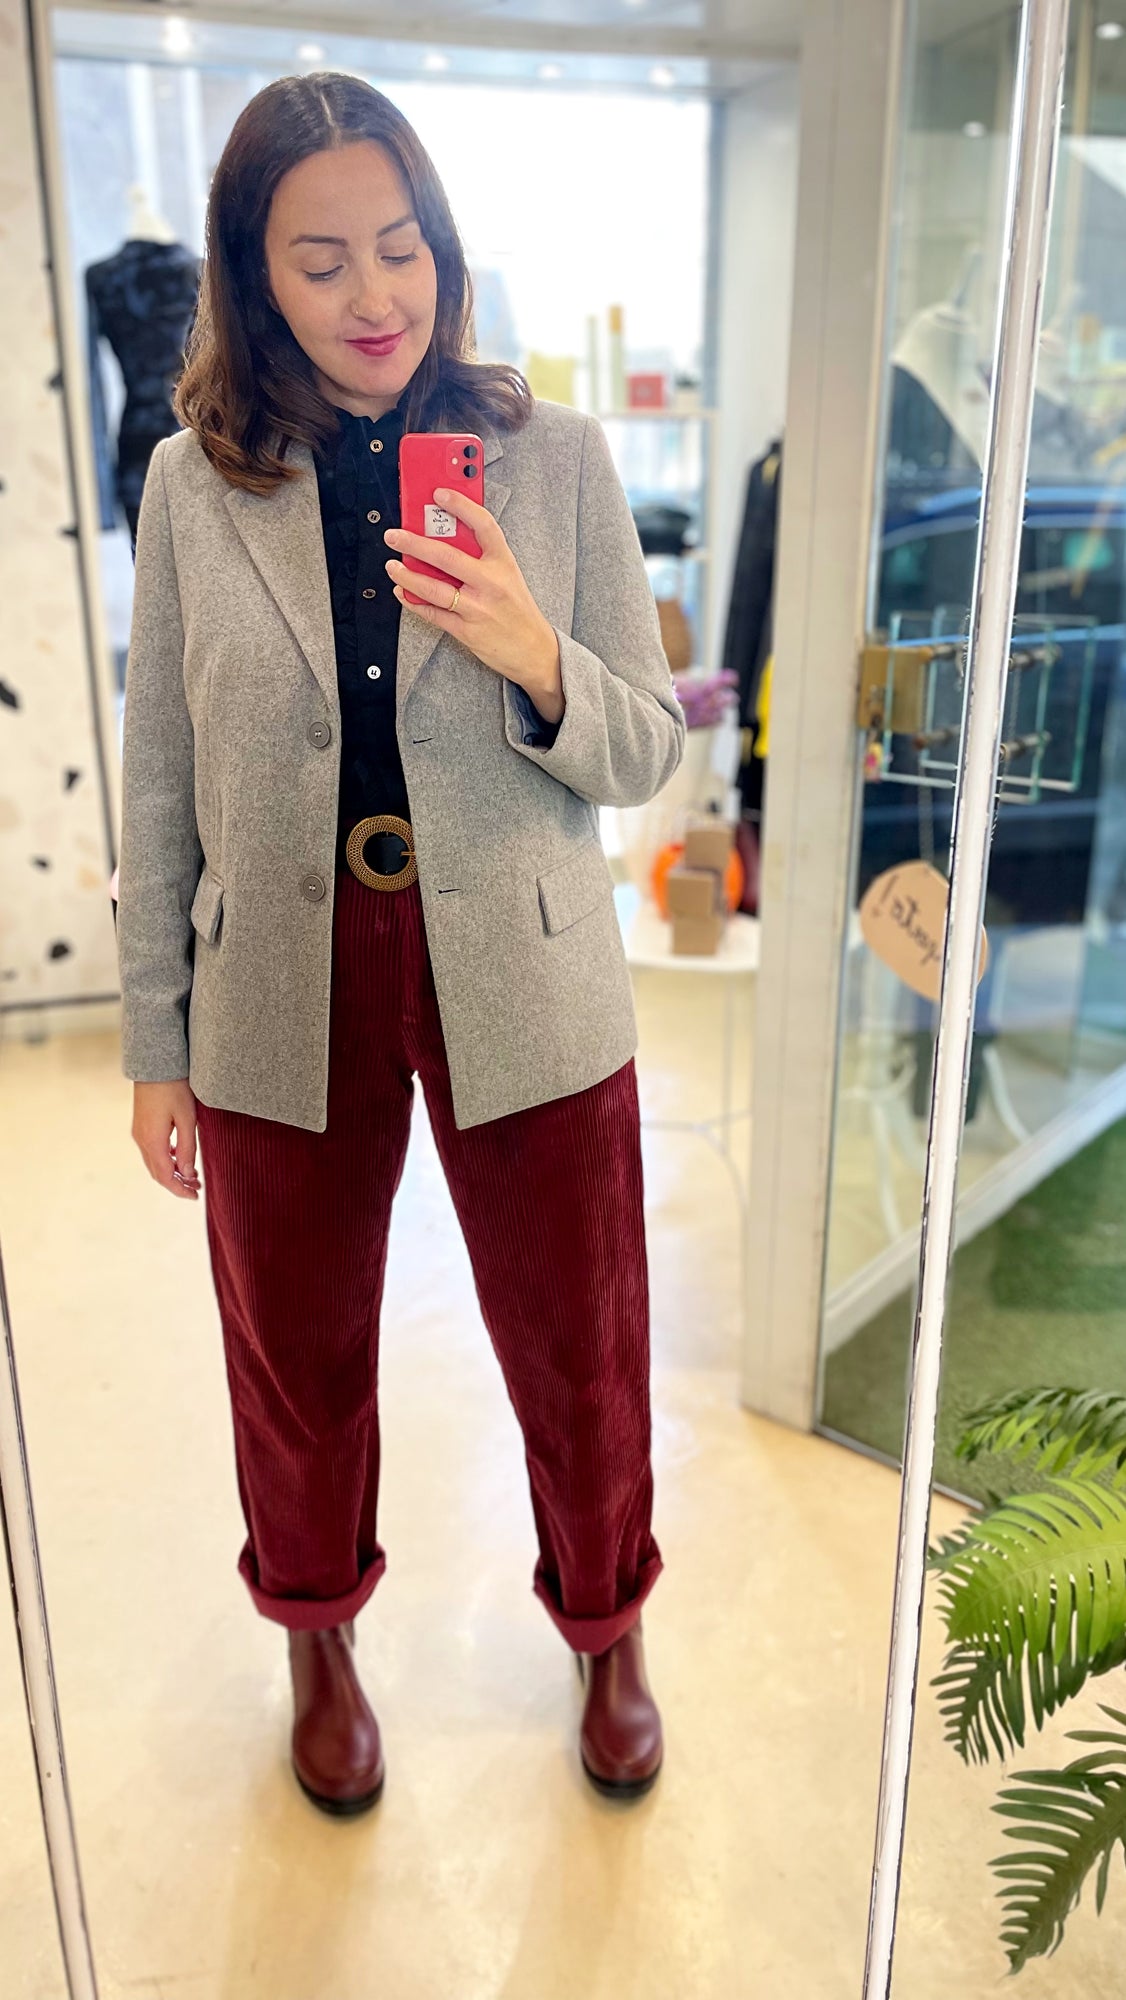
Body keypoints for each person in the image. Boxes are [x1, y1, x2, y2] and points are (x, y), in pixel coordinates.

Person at [115, 71, 685, 1818]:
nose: (375, 295)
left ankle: (606, 1627)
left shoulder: (554, 460)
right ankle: (315, 1635)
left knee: (581, 1341)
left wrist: (531, 648)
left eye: (400, 246)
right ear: (252, 275)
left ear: (442, 246)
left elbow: (643, 753)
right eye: (319, 261)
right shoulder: (192, 487)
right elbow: (162, 778)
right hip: (277, 977)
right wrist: (154, 1043)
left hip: (522, 961)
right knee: (291, 1352)